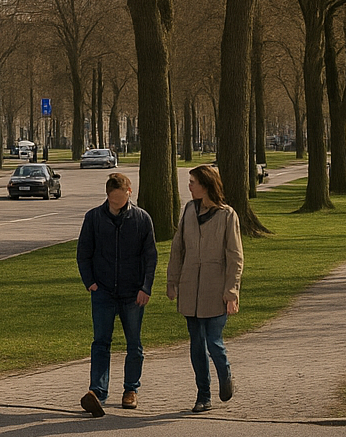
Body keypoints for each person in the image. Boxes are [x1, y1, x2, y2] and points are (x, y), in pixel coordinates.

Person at [75, 172, 157, 416]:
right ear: (107, 196)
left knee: (134, 344)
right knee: (101, 343)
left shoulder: (142, 219)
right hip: (103, 291)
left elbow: (150, 256)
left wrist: (146, 288)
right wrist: (89, 282)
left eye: (121, 199)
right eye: (113, 200)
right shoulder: (93, 218)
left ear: (129, 194)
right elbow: (83, 252)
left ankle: (131, 390)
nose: (117, 203)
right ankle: (97, 392)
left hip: (133, 293)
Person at [167, 163, 244, 412]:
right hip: (190, 288)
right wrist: (173, 280)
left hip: (216, 288)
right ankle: (203, 394)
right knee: (196, 345)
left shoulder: (227, 215)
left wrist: (231, 292)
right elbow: (178, 248)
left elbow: (235, 256)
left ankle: (225, 373)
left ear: (206, 185)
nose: (189, 186)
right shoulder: (189, 209)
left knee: (214, 341)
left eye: (193, 182)